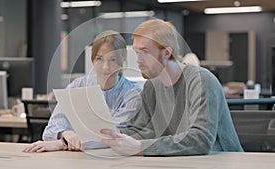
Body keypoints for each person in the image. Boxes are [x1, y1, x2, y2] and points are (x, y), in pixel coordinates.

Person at [100, 19, 244, 156]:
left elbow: (201, 139)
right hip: (182, 161)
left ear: (167, 53)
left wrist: (140, 147)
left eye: (145, 52)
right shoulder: (152, 85)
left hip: (221, 160)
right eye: (137, 52)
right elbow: (142, 130)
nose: (138, 60)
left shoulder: (201, 80)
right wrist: (106, 135)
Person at [23, 30, 142, 153]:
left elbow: (113, 137)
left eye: (112, 60)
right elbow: (50, 130)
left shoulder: (133, 93)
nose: (106, 67)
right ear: (92, 59)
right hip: (71, 159)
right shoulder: (78, 85)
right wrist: (65, 133)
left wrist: (62, 143)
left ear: (122, 60)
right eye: (100, 59)